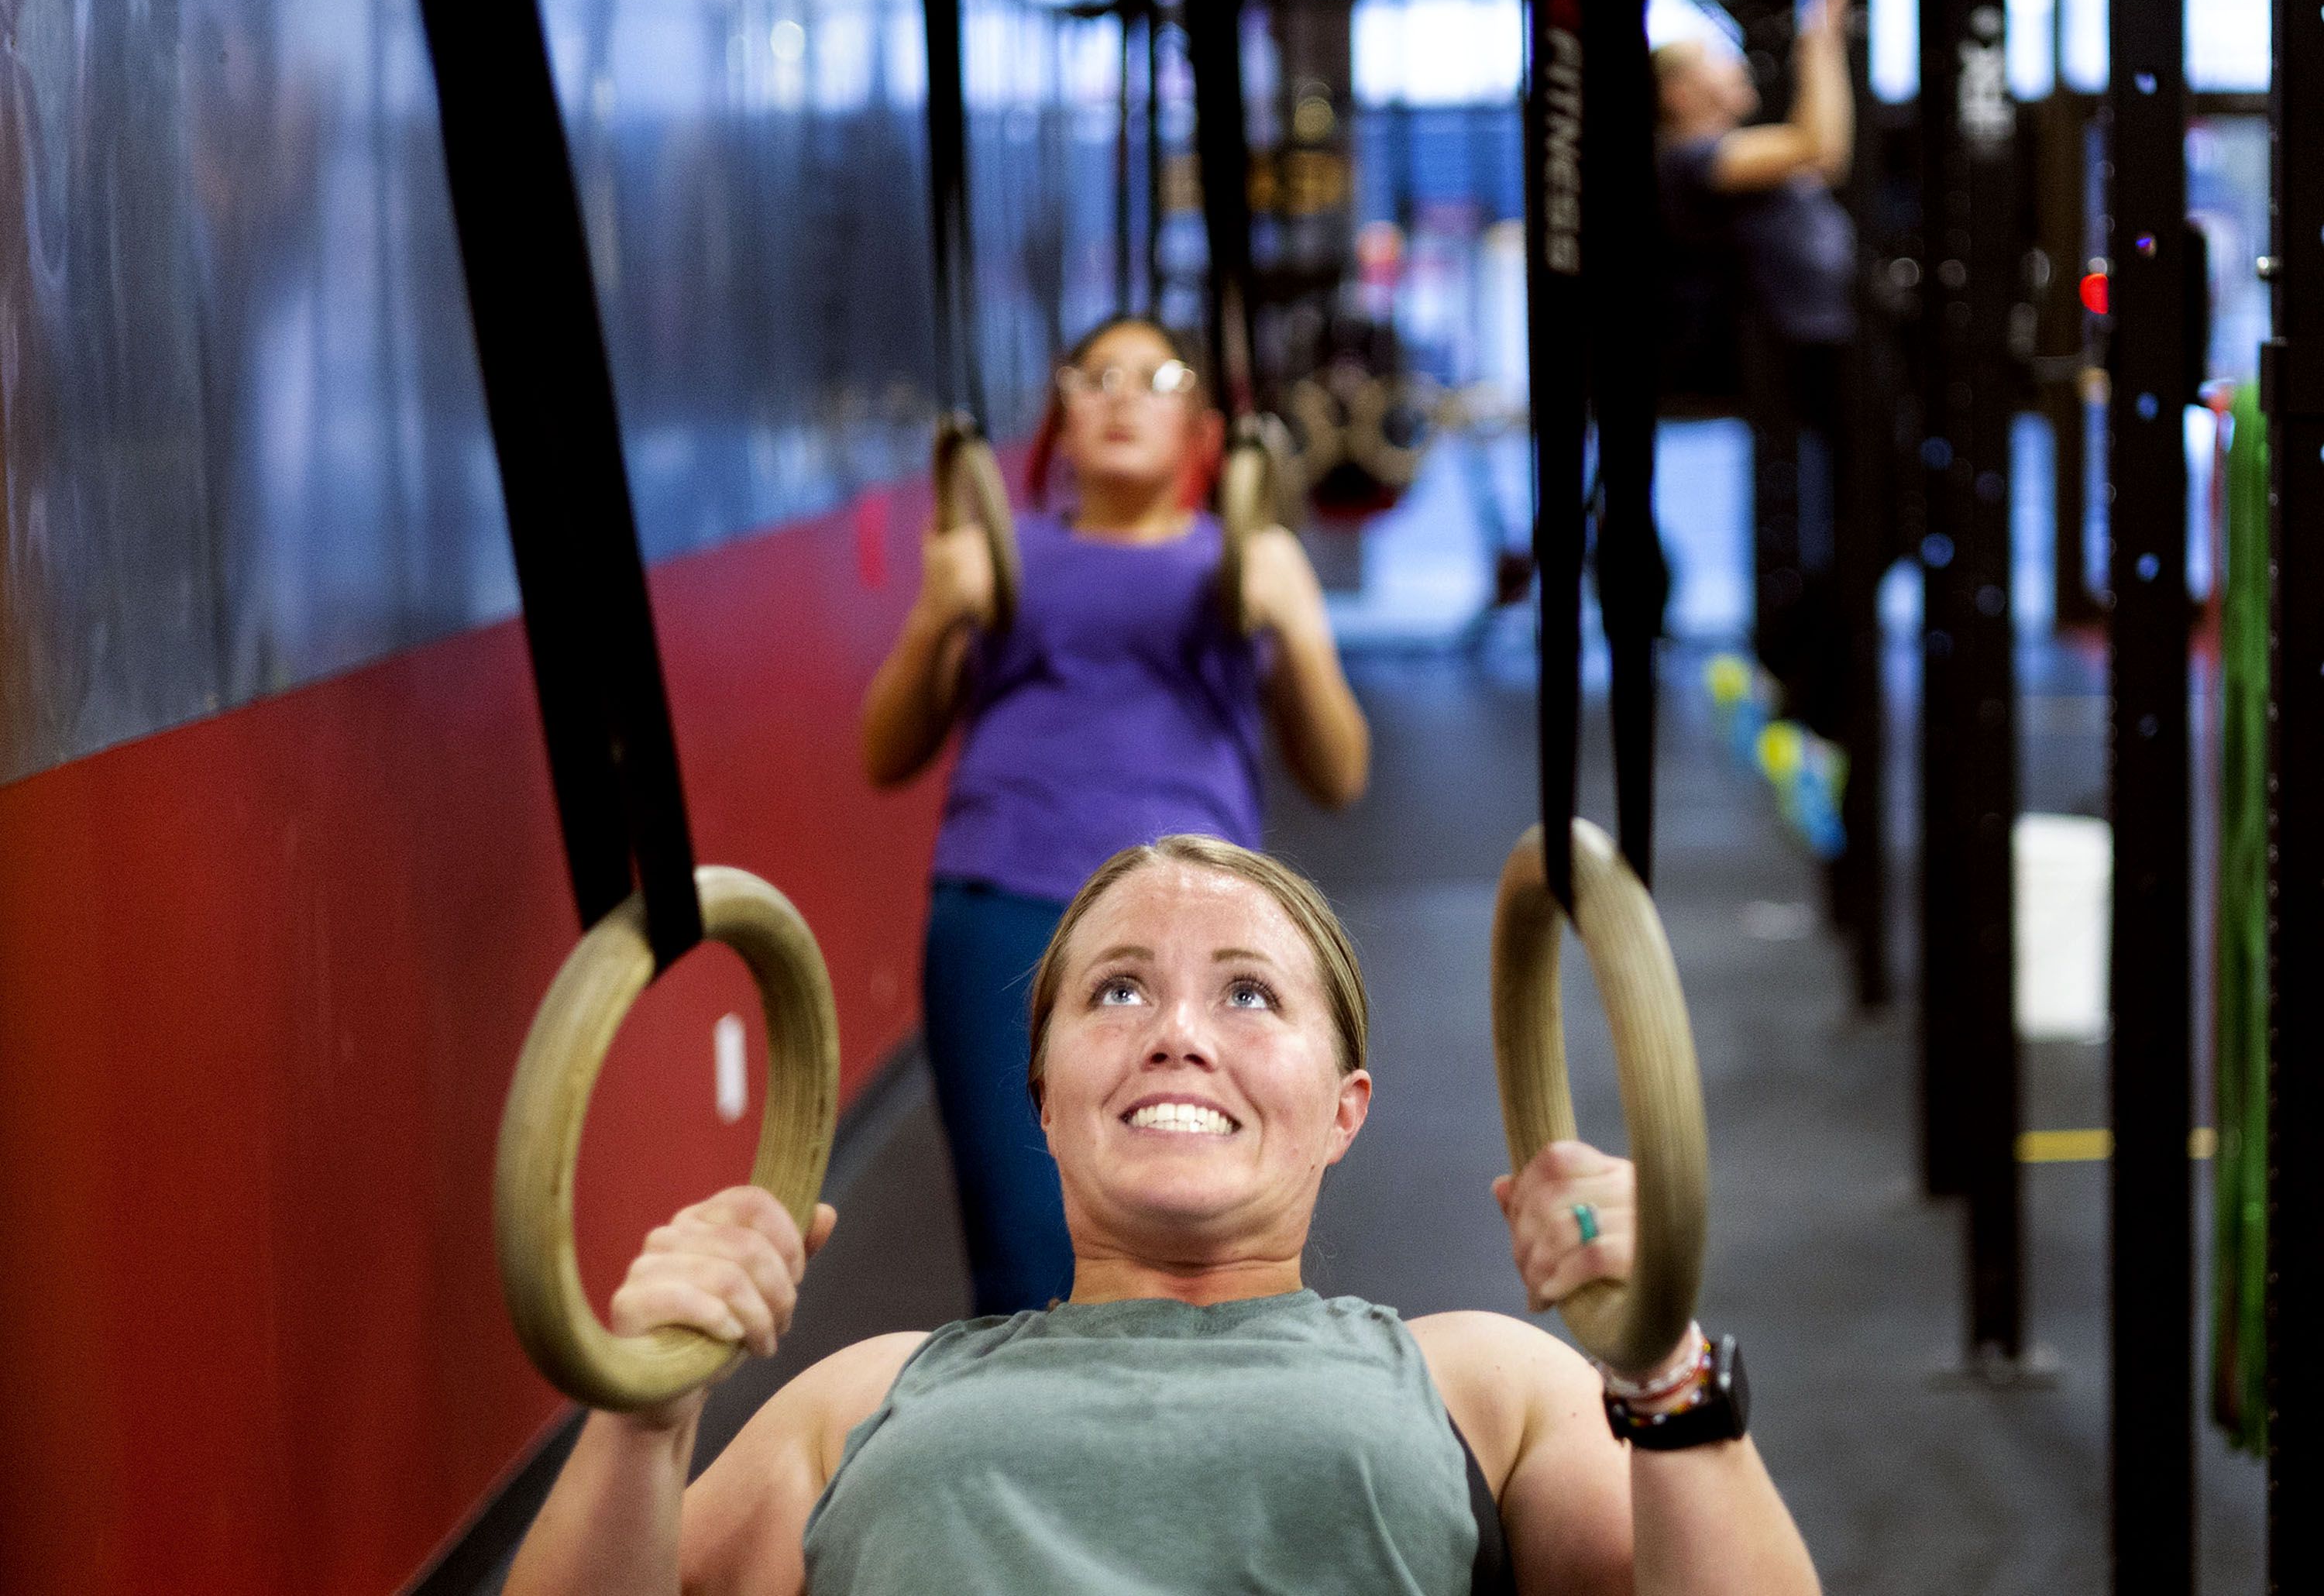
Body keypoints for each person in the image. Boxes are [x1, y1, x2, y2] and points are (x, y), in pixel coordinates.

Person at [504, 834, 1820, 1596]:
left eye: (1249, 994)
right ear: (1044, 1099)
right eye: (1119, 992)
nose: (1179, 1033)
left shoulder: (1480, 1378)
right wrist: (643, 1413)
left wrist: (1663, 1362)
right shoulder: (864, 1399)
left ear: (1344, 1106)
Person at [858, 317, 1370, 1316]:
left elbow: (1339, 773)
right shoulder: (999, 558)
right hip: (1005, 896)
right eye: (1097, 376)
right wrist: (934, 615)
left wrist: (1299, 627)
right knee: (1024, 1259)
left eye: (1155, 375)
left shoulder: (1243, 563)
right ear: (1065, 413)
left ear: (1199, 425)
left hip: (1196, 919)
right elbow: (887, 754)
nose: (1122, 394)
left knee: (1203, 1242)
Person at [1655, 0, 1857, 743]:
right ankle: (1794, 677)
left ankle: (1795, 671)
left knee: (1880, 522)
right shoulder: (1692, 161)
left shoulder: (1732, 155)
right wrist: (1819, 42)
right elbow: (1823, 146)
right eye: (1713, 60)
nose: (1734, 65)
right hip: (1797, 358)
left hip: (1829, 350)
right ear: (1678, 92)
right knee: (1856, 522)